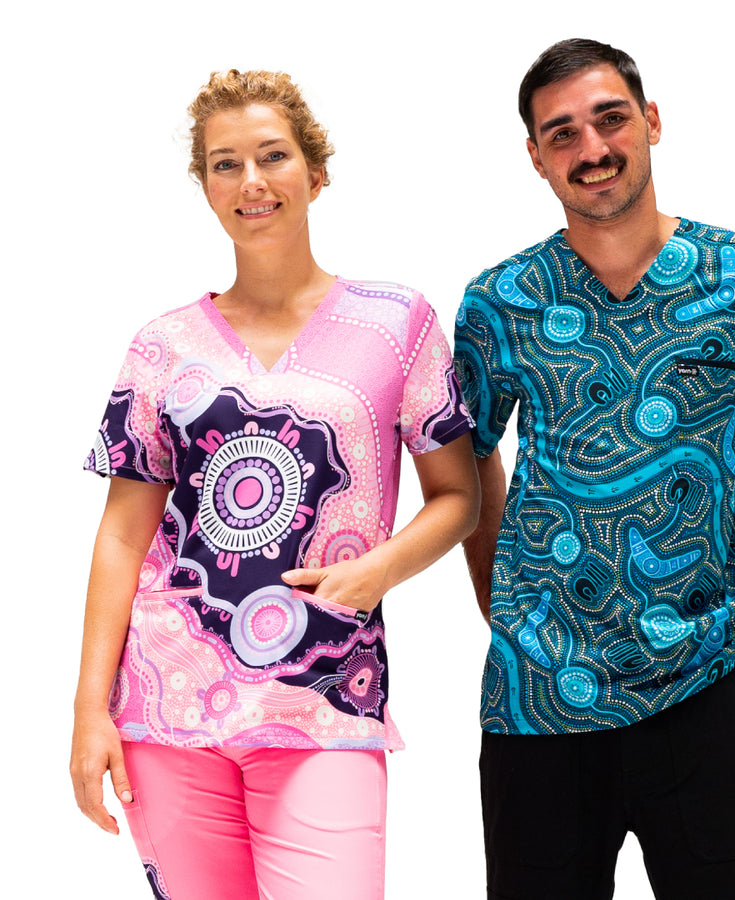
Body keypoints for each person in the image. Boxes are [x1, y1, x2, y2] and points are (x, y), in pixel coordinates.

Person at [454, 39, 735, 900]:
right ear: (535, 157)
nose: (592, 147)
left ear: (652, 122)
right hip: (538, 695)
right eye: (562, 133)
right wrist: (494, 594)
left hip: (704, 677)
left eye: (610, 118)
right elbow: (468, 449)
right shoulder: (501, 301)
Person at [70, 69, 479, 900]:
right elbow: (121, 533)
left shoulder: (396, 323)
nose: (250, 181)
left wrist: (380, 571)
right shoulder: (162, 346)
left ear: (315, 173)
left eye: (272, 156)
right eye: (226, 164)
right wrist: (88, 713)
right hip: (166, 701)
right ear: (207, 187)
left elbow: (459, 496)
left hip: (324, 698)